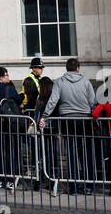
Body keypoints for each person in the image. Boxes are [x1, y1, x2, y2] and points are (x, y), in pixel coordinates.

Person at [40, 57, 97, 194]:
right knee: (85, 152)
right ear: (78, 68)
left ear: (66, 68)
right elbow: (92, 101)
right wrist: (95, 118)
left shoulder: (60, 81)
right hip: (84, 119)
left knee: (71, 152)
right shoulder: (85, 81)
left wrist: (45, 116)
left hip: (66, 119)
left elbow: (53, 101)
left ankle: (73, 186)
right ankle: (88, 185)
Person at [0, 67, 23, 189]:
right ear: (1, 78)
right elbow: (21, 103)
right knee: (11, 152)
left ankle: (0, 179)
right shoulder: (10, 88)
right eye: (7, 75)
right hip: (11, 125)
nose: (9, 77)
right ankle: (10, 179)